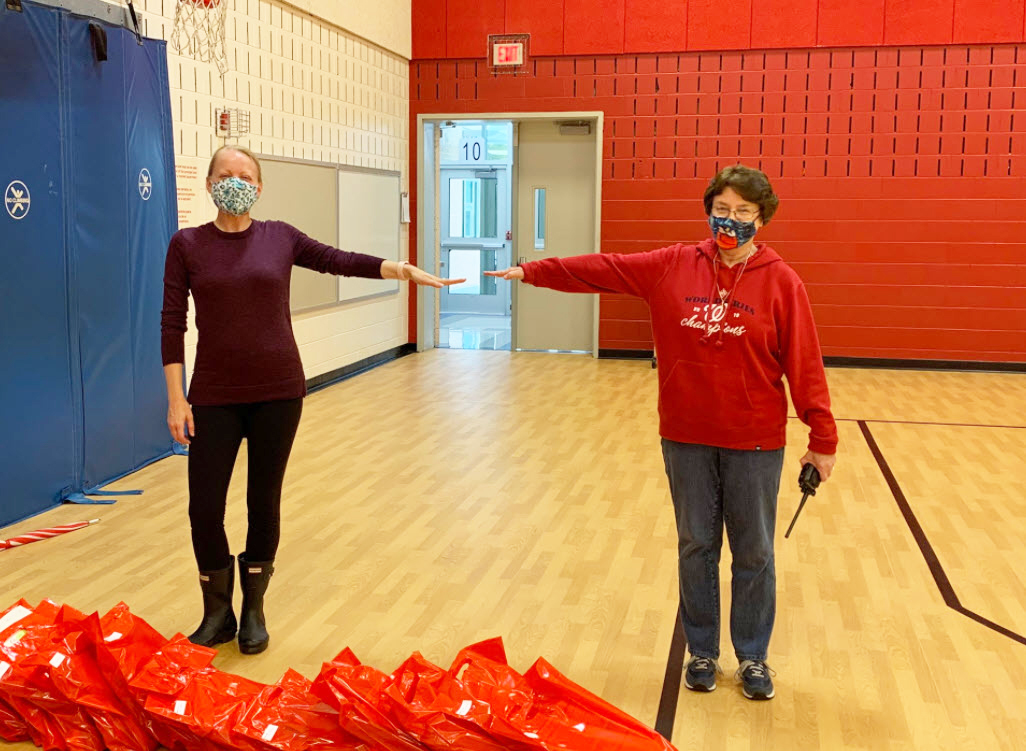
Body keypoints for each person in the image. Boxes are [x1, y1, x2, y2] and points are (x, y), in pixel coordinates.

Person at [486, 165, 837, 700]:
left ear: (762, 218)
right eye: (723, 209)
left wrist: (823, 437)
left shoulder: (781, 281)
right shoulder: (673, 265)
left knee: (755, 552)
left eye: (744, 212)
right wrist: (533, 271)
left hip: (756, 439)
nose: (732, 221)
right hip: (686, 435)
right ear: (709, 210)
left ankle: (752, 657)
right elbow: (601, 269)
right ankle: (701, 651)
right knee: (696, 544)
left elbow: (805, 363)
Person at [161, 145, 461, 654]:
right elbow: (172, 323)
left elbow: (336, 260)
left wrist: (400, 269)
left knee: (263, 501)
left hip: (278, 390)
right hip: (212, 394)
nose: (236, 181)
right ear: (209, 182)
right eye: (226, 174)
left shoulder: (280, 237)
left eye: (246, 175)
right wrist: (176, 398)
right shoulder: (187, 244)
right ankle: (217, 614)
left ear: (259, 186)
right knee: (204, 508)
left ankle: (253, 610)